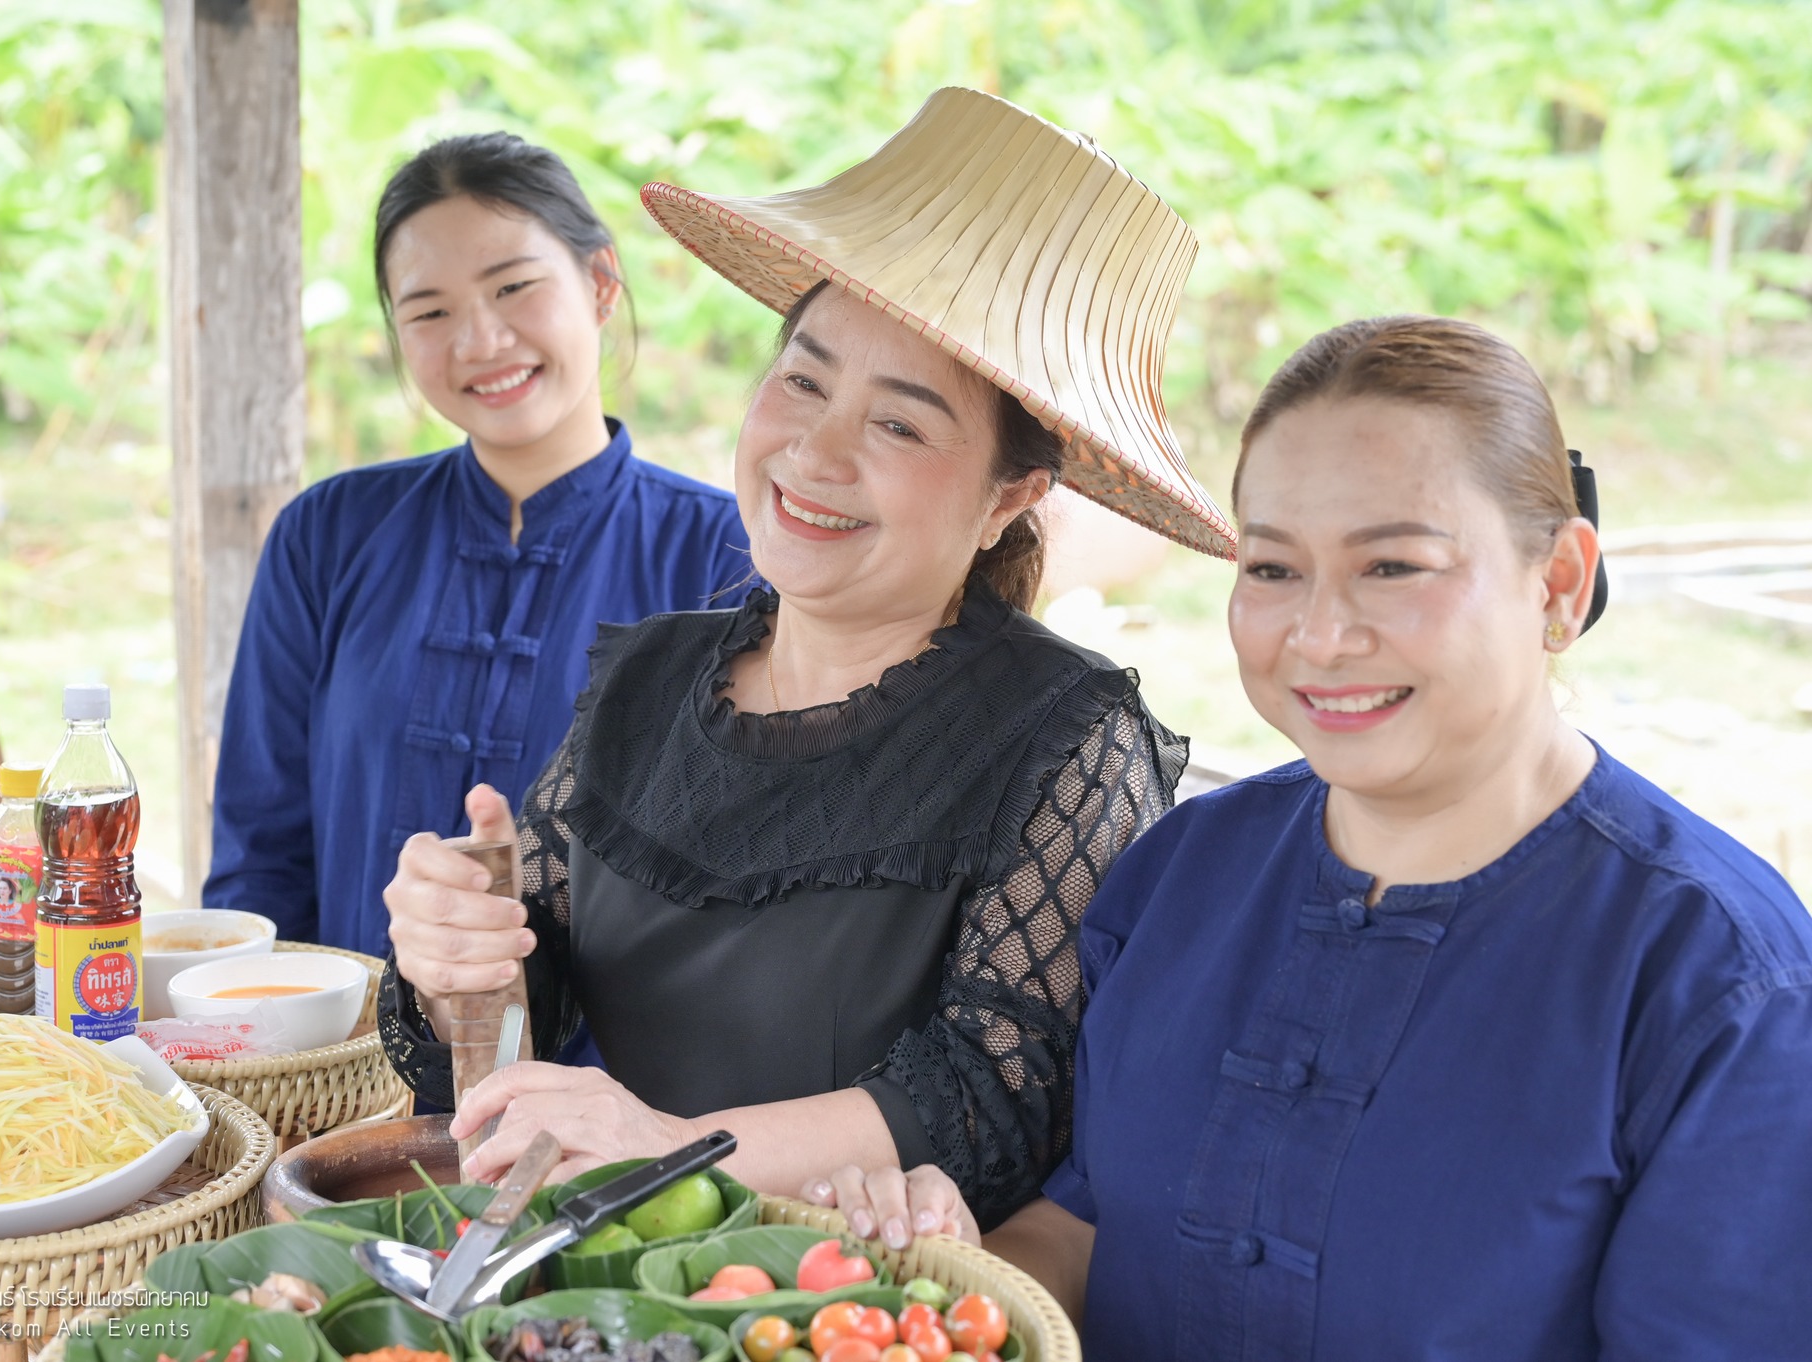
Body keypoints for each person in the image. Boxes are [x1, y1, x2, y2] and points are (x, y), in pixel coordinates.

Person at [812, 315, 1812, 1357]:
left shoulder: (1717, 983)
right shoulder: (1180, 875)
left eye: (1392, 568)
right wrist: (931, 1283)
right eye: (1273, 570)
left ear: (1556, 583)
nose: (1319, 637)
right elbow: (1089, 1224)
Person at [377, 87, 1238, 1214]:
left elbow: (995, 1093)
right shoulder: (646, 681)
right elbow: (507, 1038)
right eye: (802, 379)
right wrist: (456, 962)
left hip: (872, 1303)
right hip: (622, 1284)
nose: (814, 451)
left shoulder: (1068, 737)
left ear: (1007, 496)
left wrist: (668, 1145)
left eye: (898, 423)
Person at [204, 133, 752, 956]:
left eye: (514, 288)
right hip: (343, 1071)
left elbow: (751, 884)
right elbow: (259, 859)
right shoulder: (325, 536)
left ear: (601, 284)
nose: (481, 341)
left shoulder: (725, 556)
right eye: (430, 311)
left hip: (613, 1081)